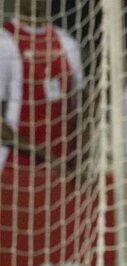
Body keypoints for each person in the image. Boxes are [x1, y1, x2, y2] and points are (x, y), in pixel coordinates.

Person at [0, 0, 84, 171]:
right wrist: (46, 157)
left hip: (66, 166)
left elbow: (82, 105)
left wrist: (81, 154)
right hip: (16, 166)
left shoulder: (67, 42)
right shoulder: (4, 40)